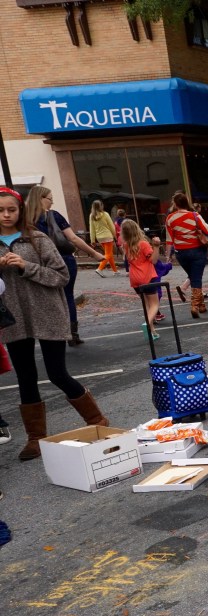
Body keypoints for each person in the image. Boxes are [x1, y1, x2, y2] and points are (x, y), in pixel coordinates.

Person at [0, 187, 109, 461]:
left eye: (11, 209)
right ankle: (36, 438)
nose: (6, 215)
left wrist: (26, 266)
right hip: (13, 319)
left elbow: (61, 275)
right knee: (25, 377)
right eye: (0, 210)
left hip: (47, 313)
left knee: (57, 373)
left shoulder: (37, 238)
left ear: (21, 210)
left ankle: (97, 420)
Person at [25, 186, 102, 346]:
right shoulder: (54, 216)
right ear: (41, 199)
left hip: (39, 263)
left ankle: (52, 332)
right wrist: (94, 253)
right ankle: (72, 334)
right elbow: (73, 238)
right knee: (67, 296)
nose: (52, 202)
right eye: (50, 198)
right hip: (62, 260)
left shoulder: (25, 220)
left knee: (44, 298)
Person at [165, 191, 208, 319]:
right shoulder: (194, 216)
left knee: (193, 275)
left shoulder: (170, 218)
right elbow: (207, 230)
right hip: (197, 250)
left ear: (175, 204)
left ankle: (201, 305)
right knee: (196, 277)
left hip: (181, 253)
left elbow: (169, 239)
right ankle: (194, 306)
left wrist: (168, 256)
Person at [121, 219, 160, 341]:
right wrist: (156, 247)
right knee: (154, 304)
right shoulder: (143, 244)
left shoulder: (126, 245)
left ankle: (152, 331)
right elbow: (153, 260)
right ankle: (147, 324)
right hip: (147, 276)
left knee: (146, 305)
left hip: (135, 278)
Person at [88, 200, 118, 275]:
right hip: (108, 236)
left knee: (109, 254)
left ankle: (115, 271)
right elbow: (111, 226)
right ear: (101, 206)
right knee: (108, 254)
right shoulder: (105, 214)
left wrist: (92, 240)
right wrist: (115, 235)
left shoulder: (92, 216)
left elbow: (92, 229)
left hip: (99, 238)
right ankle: (99, 269)